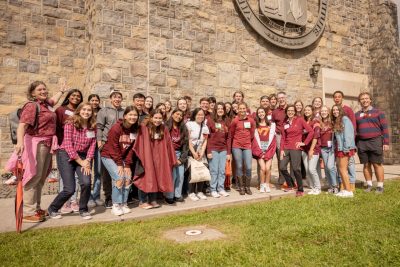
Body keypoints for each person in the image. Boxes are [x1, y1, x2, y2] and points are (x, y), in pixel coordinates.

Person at [8, 80, 67, 223]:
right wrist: (20, 143)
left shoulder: (46, 105)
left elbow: (53, 100)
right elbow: (22, 126)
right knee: (33, 177)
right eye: (39, 90)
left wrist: (61, 91)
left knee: (41, 178)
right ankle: (28, 212)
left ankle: (37, 208)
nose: (43, 91)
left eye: (45, 89)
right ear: (33, 93)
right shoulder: (31, 106)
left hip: (46, 144)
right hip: (36, 143)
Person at [47, 102, 96, 220]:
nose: (86, 112)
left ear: (92, 113)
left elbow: (93, 144)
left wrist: (88, 160)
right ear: (79, 110)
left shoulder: (92, 126)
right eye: (84, 109)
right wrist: (81, 162)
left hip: (84, 156)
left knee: (86, 183)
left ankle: (83, 209)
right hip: (66, 154)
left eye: (89, 110)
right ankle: (53, 208)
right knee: (70, 189)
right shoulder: (70, 123)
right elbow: (68, 145)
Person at [133, 109, 176, 209]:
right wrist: (143, 157)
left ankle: (152, 200)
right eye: (155, 118)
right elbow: (139, 142)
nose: (157, 120)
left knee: (156, 177)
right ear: (151, 118)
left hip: (159, 158)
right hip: (146, 157)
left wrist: (171, 158)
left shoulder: (163, 128)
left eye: (160, 118)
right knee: (146, 178)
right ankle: (143, 201)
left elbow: (168, 144)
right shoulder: (144, 127)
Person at [101, 106, 139, 216]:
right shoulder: (116, 128)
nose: (133, 117)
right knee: (119, 177)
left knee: (127, 178)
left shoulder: (134, 130)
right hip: (108, 156)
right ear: (125, 116)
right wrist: (119, 164)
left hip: (121, 157)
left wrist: (127, 164)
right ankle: (116, 205)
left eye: (135, 115)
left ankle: (123, 203)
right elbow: (113, 147)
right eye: (130, 115)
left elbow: (132, 149)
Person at [55, 89, 83, 213]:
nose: (76, 97)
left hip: (77, 148)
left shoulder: (81, 111)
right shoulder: (61, 110)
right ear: (68, 97)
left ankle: (73, 201)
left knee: (76, 177)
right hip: (64, 147)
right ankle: (64, 202)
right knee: (65, 177)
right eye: (73, 95)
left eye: (78, 96)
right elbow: (55, 128)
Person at [355, 92, 389, 193]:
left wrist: (386, 142)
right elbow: (355, 130)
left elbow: (385, 128)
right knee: (366, 164)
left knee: (377, 164)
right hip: (361, 142)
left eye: (366, 98)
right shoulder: (356, 115)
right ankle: (369, 185)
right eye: (362, 99)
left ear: (370, 100)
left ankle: (380, 186)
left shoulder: (379, 112)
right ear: (359, 101)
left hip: (375, 141)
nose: (364, 100)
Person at [96, 90, 125, 208]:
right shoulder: (104, 111)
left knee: (119, 171)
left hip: (120, 145)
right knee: (106, 173)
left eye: (119, 97)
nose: (117, 99)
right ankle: (108, 197)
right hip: (106, 144)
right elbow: (99, 127)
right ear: (110, 98)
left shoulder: (124, 112)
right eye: (115, 97)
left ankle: (118, 197)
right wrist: (99, 142)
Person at [279, 105, 314, 197]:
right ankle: (291, 184)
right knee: (282, 167)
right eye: (288, 110)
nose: (290, 112)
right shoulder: (285, 122)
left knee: (296, 169)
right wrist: (282, 149)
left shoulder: (300, 120)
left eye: (292, 110)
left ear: (295, 112)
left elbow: (311, 132)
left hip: (296, 148)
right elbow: (283, 137)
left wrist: (304, 143)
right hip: (286, 147)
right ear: (286, 112)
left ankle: (300, 189)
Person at [230, 102, 256, 195]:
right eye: (240, 108)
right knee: (239, 166)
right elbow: (231, 134)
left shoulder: (251, 120)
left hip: (247, 146)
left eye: (243, 108)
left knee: (248, 167)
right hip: (236, 145)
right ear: (238, 110)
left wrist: (247, 141)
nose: (242, 110)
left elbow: (252, 134)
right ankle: (241, 187)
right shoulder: (235, 121)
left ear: (246, 109)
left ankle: (247, 187)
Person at [333, 90, 356, 191]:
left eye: (339, 96)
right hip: (339, 145)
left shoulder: (347, 113)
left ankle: (350, 187)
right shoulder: (336, 116)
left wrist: (349, 145)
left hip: (346, 146)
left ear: (342, 98)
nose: (337, 98)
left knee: (347, 166)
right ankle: (344, 187)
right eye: (335, 97)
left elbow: (351, 129)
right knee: (341, 168)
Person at [164, 109, 189, 203]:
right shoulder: (166, 126)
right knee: (172, 176)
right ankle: (169, 195)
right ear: (172, 114)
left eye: (181, 115)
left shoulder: (183, 128)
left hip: (179, 154)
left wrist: (182, 159)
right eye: (177, 114)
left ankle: (177, 195)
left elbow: (185, 145)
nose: (178, 116)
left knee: (180, 175)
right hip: (169, 154)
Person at [207, 102, 231, 198]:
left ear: (224, 110)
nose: (220, 110)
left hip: (223, 149)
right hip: (213, 148)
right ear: (215, 110)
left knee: (222, 170)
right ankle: (213, 189)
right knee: (214, 170)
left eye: (222, 108)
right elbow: (207, 137)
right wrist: (208, 151)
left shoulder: (227, 121)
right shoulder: (210, 120)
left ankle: (220, 188)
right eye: (219, 108)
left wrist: (229, 152)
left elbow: (229, 137)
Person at [186, 108, 210, 201]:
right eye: (198, 114)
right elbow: (188, 140)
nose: (200, 116)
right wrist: (194, 153)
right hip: (192, 151)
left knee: (202, 170)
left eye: (202, 115)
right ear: (194, 115)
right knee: (193, 172)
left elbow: (205, 140)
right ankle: (191, 192)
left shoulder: (205, 127)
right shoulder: (189, 125)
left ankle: (199, 191)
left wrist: (202, 151)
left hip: (201, 152)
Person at [252, 107, 276, 193]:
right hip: (259, 149)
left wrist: (269, 151)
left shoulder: (271, 124)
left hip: (269, 149)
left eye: (262, 112)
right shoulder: (255, 125)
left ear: (265, 113)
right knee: (262, 168)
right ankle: (262, 184)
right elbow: (254, 140)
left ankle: (267, 184)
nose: (261, 114)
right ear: (257, 114)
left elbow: (273, 139)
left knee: (268, 168)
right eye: (259, 112)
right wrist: (260, 152)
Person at [87, 94, 104, 208]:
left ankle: (96, 196)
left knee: (98, 172)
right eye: (92, 100)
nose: (94, 102)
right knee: (87, 172)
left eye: (96, 100)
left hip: (98, 145)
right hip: (87, 145)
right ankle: (88, 197)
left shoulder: (102, 112)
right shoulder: (85, 111)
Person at [302, 105, 322, 195]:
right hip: (304, 149)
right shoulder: (304, 121)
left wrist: (311, 149)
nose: (306, 111)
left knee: (312, 169)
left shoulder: (316, 121)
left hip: (313, 149)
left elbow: (316, 136)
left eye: (308, 110)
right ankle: (313, 187)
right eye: (305, 110)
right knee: (307, 169)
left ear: (312, 111)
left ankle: (318, 188)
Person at [320, 106, 338, 194]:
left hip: (331, 148)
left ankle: (335, 186)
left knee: (330, 166)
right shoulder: (319, 123)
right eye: (322, 111)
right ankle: (331, 187)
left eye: (325, 111)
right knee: (326, 168)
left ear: (328, 112)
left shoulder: (332, 122)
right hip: (323, 148)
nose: (323, 112)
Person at [272, 91, 288, 186]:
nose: (281, 99)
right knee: (280, 157)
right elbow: (273, 124)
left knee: (291, 156)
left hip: (290, 135)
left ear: (285, 98)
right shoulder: (275, 112)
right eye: (279, 98)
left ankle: (292, 179)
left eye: (283, 97)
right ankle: (282, 179)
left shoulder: (290, 109)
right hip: (279, 135)